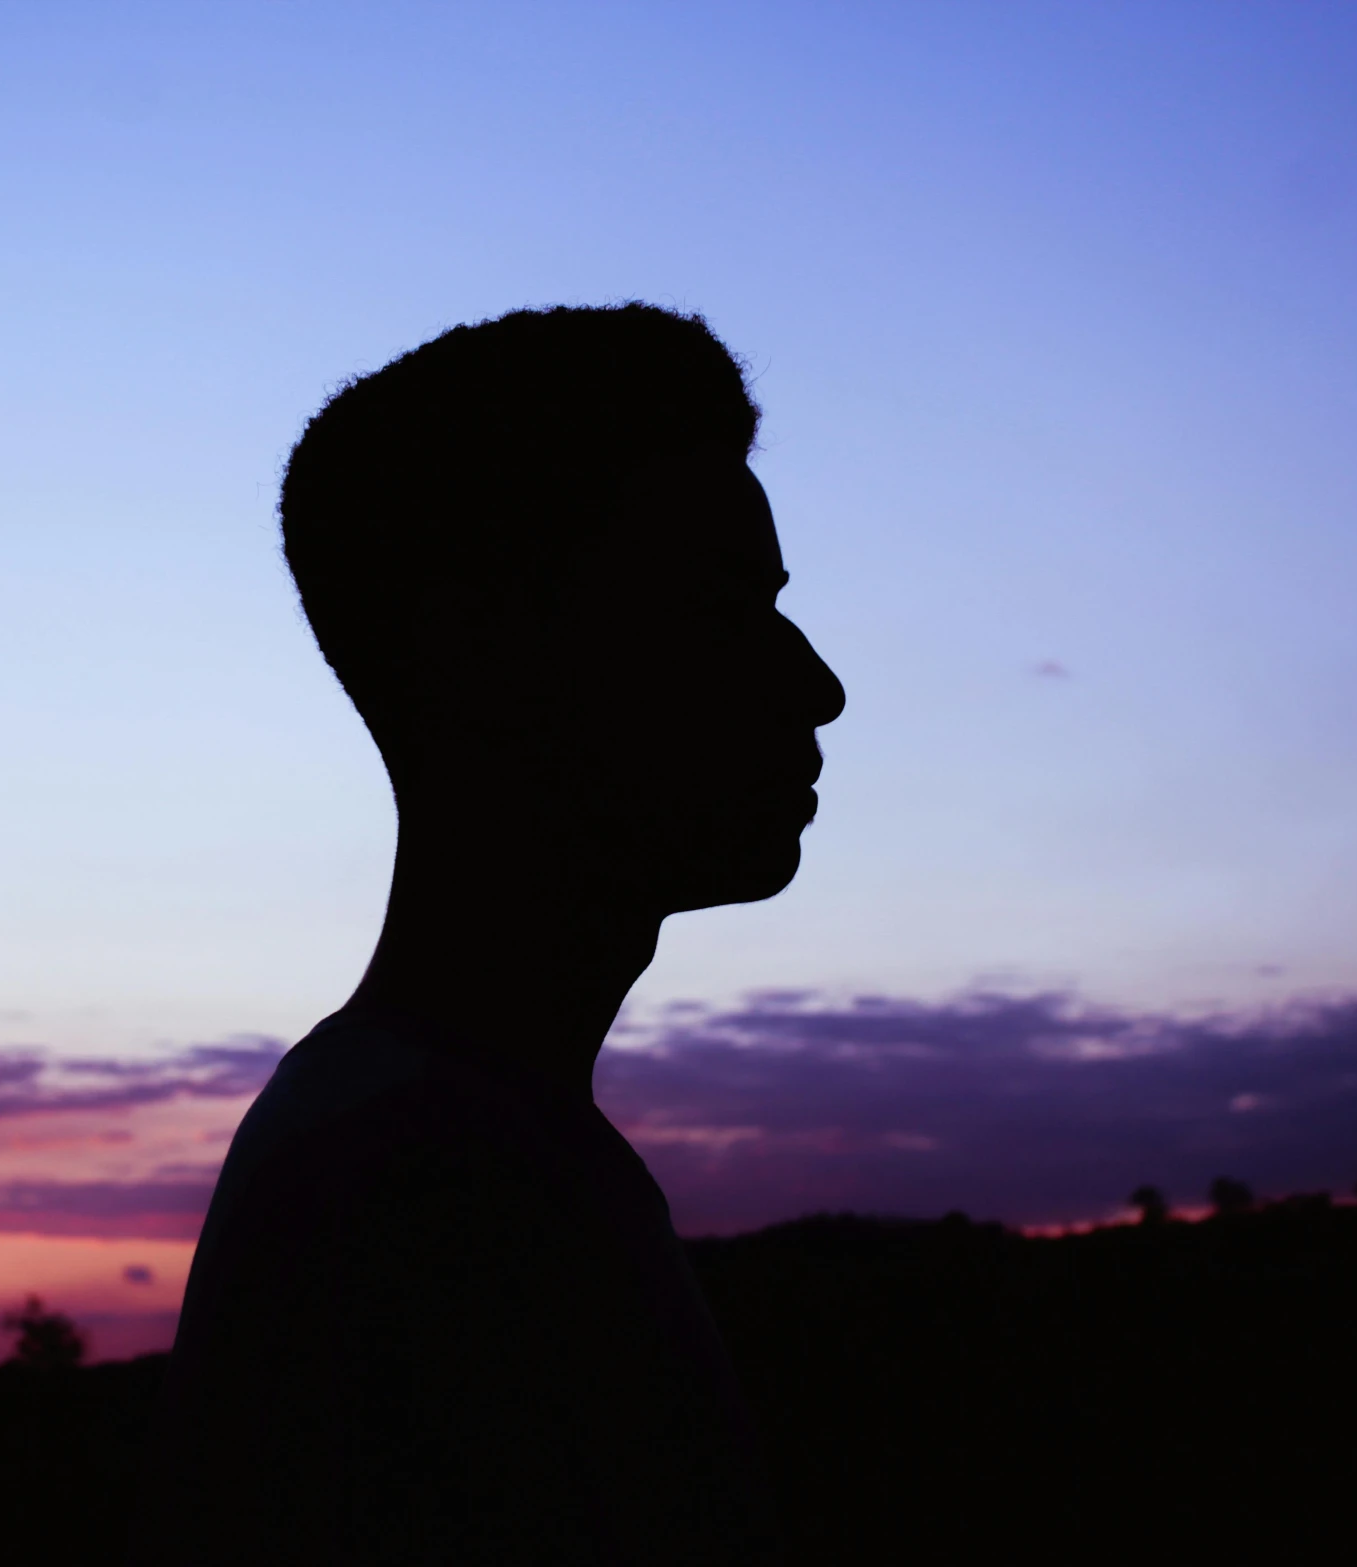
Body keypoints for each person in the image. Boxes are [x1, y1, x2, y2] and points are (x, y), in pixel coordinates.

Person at [154, 304, 845, 1564]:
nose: (816, 685)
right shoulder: (438, 1196)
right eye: (717, 607)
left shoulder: (422, 1140)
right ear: (489, 654)